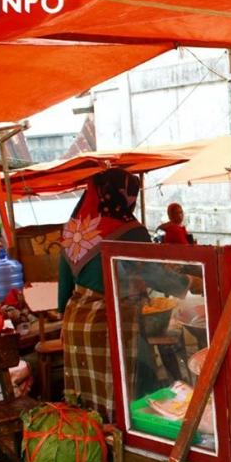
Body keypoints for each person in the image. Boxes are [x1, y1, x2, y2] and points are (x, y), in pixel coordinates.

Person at [58, 168, 200, 421]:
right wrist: (189, 282)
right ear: (123, 196)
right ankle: (137, 448)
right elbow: (154, 274)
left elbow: (63, 292)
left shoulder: (73, 231)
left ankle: (98, 446)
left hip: (76, 325)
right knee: (134, 393)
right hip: (115, 322)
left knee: (89, 400)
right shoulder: (130, 231)